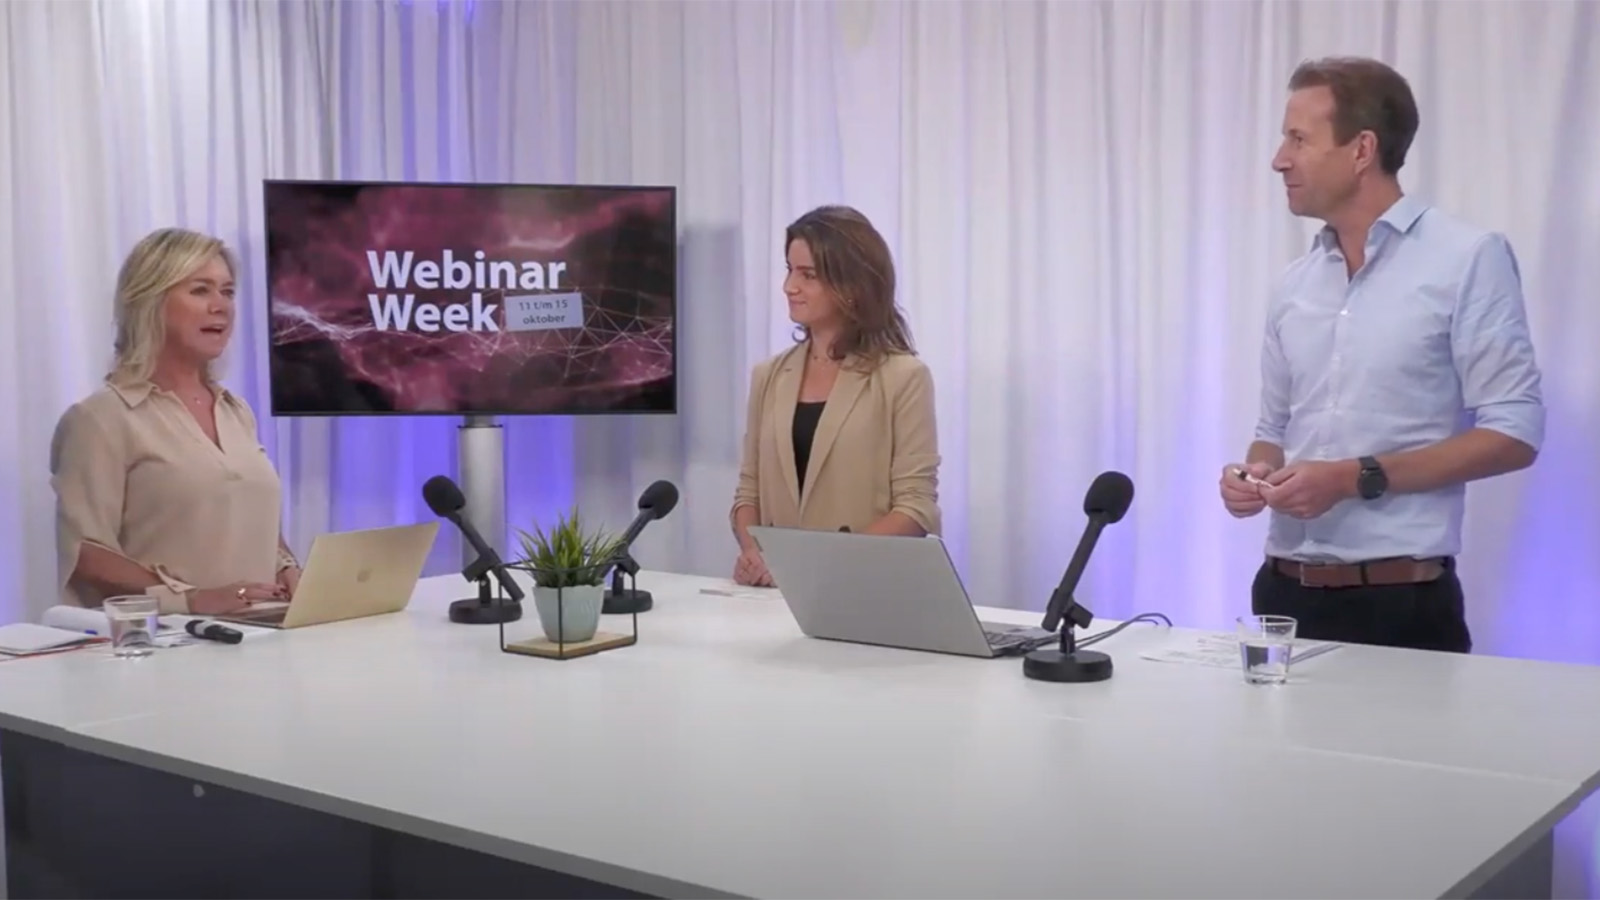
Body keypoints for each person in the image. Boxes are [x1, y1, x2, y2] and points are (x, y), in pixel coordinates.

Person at [1219, 57, 1544, 653]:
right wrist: (1252, 475)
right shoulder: (1293, 284)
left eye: (1298, 139)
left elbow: (1514, 432)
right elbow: (1273, 430)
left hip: (1400, 607)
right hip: (1280, 595)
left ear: (1362, 149)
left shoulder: (1467, 259)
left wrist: (1352, 478)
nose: (1279, 159)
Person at [50, 227, 301, 616]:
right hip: (167, 638)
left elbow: (250, 521)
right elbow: (86, 553)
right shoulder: (100, 419)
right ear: (150, 301)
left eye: (228, 292)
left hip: (262, 631)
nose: (221, 306)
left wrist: (288, 568)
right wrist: (190, 598)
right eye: (200, 290)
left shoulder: (236, 411)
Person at [729, 205, 941, 587]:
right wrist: (754, 553)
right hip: (775, 596)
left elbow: (915, 508)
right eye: (789, 270)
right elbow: (749, 492)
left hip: (863, 591)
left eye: (807, 275)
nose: (789, 286)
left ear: (851, 286)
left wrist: (819, 565)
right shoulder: (768, 376)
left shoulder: (903, 378)